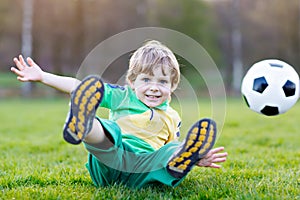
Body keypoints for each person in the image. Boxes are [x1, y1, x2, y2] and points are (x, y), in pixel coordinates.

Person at [11, 40, 228, 188]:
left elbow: (168, 149)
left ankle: (185, 159)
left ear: (173, 86)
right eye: (146, 80)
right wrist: (42, 76)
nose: (154, 87)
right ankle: (84, 123)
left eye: (162, 82)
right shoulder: (122, 96)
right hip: (113, 158)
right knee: (109, 131)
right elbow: (78, 85)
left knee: (171, 149)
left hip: (143, 167)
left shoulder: (172, 117)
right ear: (132, 82)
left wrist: (195, 158)